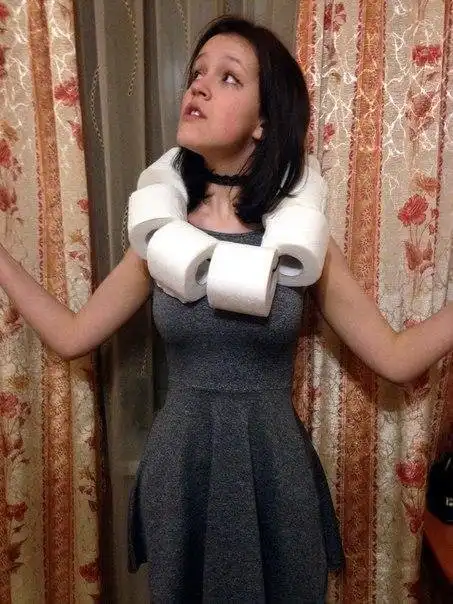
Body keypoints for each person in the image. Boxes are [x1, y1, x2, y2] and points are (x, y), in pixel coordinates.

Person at [1, 14, 453, 603]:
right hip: (182, 470)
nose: (199, 85)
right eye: (197, 72)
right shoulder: (159, 238)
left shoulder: (299, 241)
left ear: (264, 121)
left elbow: (395, 357)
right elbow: (71, 335)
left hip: (274, 473)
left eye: (229, 77)